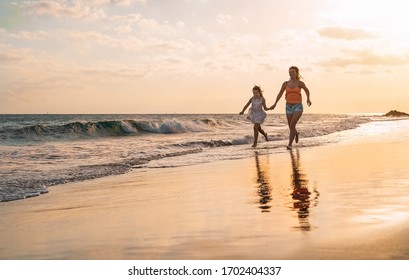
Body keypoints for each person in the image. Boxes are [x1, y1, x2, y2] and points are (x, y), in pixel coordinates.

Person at [269, 66, 312, 150]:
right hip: (288, 107)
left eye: (293, 72)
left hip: (298, 107)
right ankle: (296, 133)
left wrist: (308, 99)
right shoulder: (285, 83)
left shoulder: (300, 83)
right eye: (290, 72)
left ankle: (290, 144)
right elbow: (280, 94)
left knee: (292, 125)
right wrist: (275, 104)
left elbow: (307, 90)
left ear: (296, 73)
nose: (291, 73)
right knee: (291, 126)